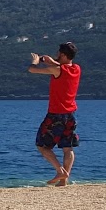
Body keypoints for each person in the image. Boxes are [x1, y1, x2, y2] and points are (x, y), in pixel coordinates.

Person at [28, 41, 81, 186]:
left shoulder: (58, 70)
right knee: (67, 147)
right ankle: (64, 181)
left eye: (59, 53)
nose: (57, 55)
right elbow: (60, 66)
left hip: (56, 115)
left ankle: (60, 171)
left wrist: (36, 61)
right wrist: (52, 61)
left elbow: (32, 70)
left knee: (41, 145)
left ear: (63, 55)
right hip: (70, 114)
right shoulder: (76, 69)